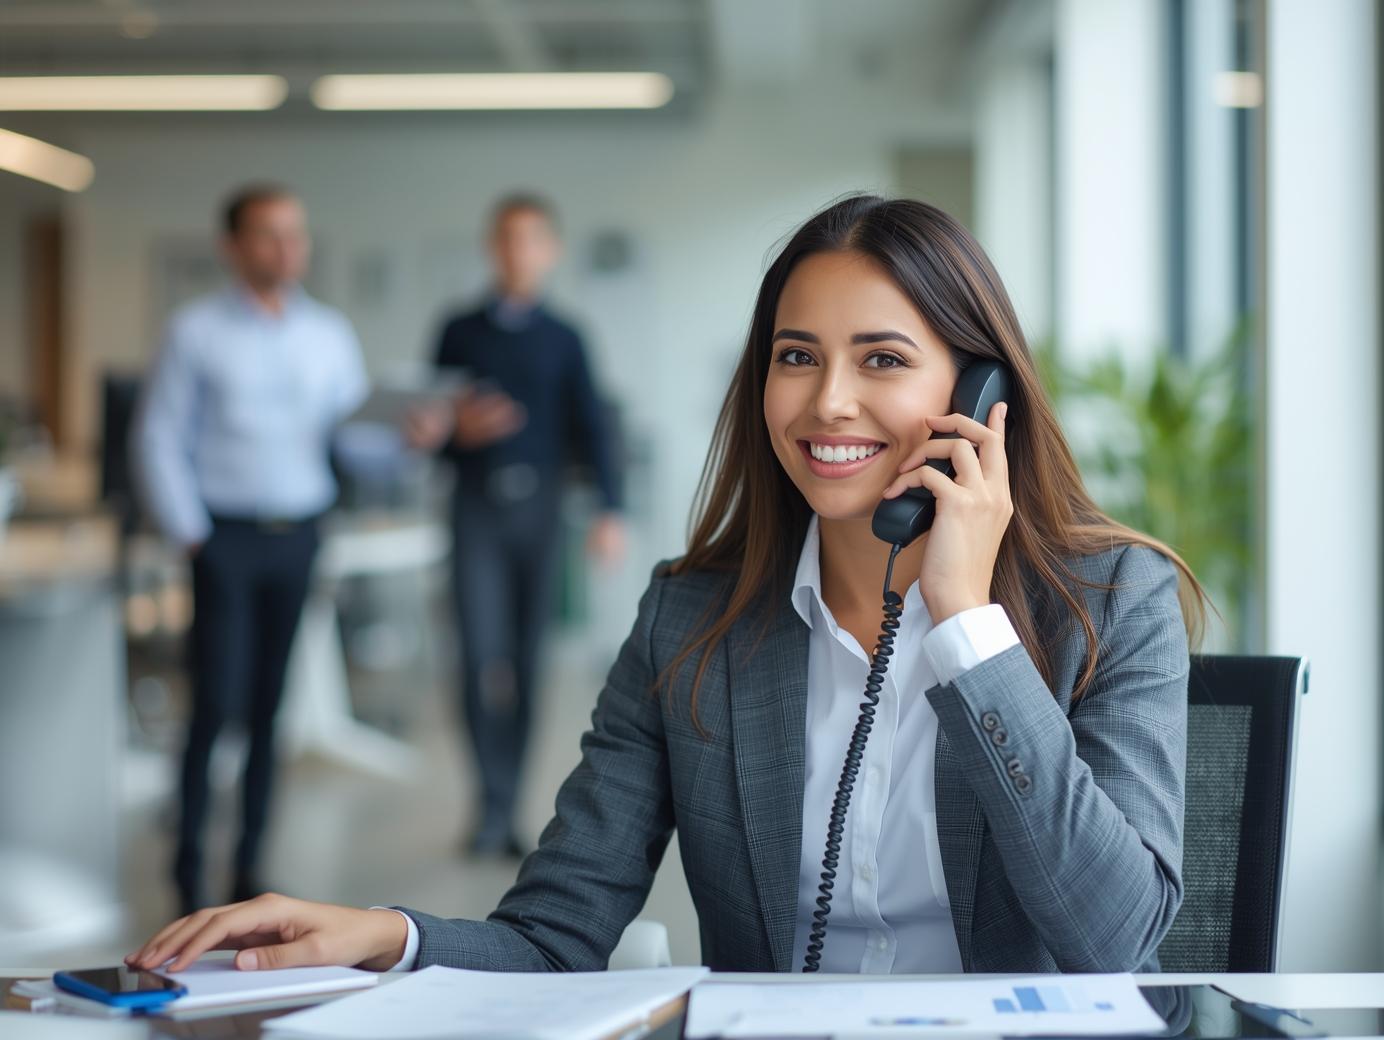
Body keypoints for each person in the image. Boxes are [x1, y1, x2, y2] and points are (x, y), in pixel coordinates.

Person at [129, 195, 1201, 976]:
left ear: (979, 394)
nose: (827, 402)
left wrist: (966, 627)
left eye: (881, 359)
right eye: (795, 356)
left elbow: (1115, 937)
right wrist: (383, 933)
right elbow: (552, 934)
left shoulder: (1111, 602)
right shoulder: (693, 618)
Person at [131, 185, 368, 916]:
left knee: (270, 708)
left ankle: (250, 868)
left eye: (294, 234)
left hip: (297, 535)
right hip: (223, 538)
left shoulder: (328, 335)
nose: (285, 248)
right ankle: (187, 868)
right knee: (215, 704)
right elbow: (157, 437)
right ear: (233, 246)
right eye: (268, 235)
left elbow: (358, 438)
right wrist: (192, 532)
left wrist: (409, 437)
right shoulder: (196, 331)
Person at [409, 193, 626, 858]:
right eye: (506, 239)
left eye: (532, 240)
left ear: (550, 251)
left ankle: (510, 805)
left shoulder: (566, 337)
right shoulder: (458, 330)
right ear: (490, 247)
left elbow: (595, 427)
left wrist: (610, 510)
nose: (518, 252)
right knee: (478, 659)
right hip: (475, 510)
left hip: (542, 514)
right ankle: (488, 802)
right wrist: (455, 432)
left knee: (529, 664)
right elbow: (428, 427)